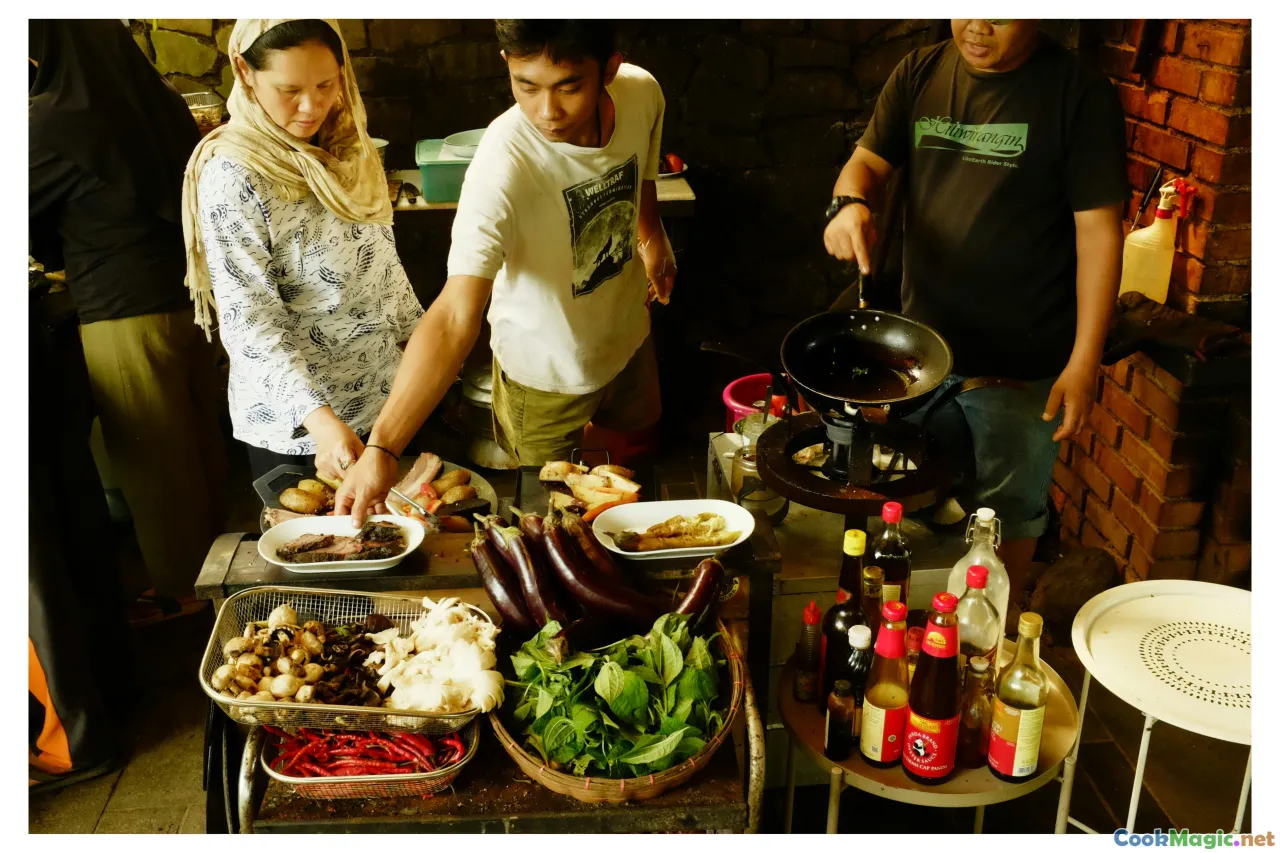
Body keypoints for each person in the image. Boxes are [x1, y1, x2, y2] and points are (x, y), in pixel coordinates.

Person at [822, 19, 1127, 608]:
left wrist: (1085, 361)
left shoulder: (1078, 94)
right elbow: (865, 163)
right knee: (908, 496)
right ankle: (893, 627)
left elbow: (1099, 234)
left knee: (1010, 514)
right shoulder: (921, 70)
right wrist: (850, 204)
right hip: (919, 355)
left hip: (1020, 361)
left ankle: (989, 635)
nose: (977, 25)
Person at [335, 20, 676, 520]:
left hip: (627, 333)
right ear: (506, 65)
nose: (547, 112)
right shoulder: (503, 161)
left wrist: (653, 238)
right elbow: (454, 314)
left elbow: (640, 170)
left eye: (568, 87)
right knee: (555, 516)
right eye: (526, 85)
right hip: (546, 372)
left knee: (623, 473)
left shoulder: (641, 92)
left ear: (610, 68)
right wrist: (383, 448)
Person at [29, 19, 227, 615]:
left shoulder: (49, 120)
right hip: (195, 302)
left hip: (121, 314)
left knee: (151, 466)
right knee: (201, 448)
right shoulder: (158, 97)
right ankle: (224, 571)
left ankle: (183, 594)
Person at [184, 19, 422, 488]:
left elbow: (381, 266)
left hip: (386, 405)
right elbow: (251, 320)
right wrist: (321, 422)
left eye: (326, 84)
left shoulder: (347, 147)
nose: (312, 105)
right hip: (299, 430)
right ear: (244, 72)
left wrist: (420, 353)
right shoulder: (234, 176)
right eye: (288, 89)